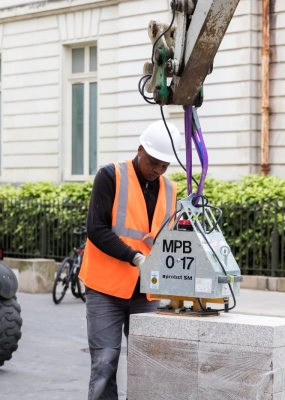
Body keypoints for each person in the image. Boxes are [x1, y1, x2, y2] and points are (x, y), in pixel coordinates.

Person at [79, 120, 180, 400]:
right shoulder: (111, 175)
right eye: (153, 162)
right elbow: (96, 228)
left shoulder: (170, 190)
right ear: (140, 150)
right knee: (104, 364)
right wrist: (134, 256)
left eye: (164, 166)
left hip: (145, 293)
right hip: (106, 288)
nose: (157, 170)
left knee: (148, 365)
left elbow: (166, 241)